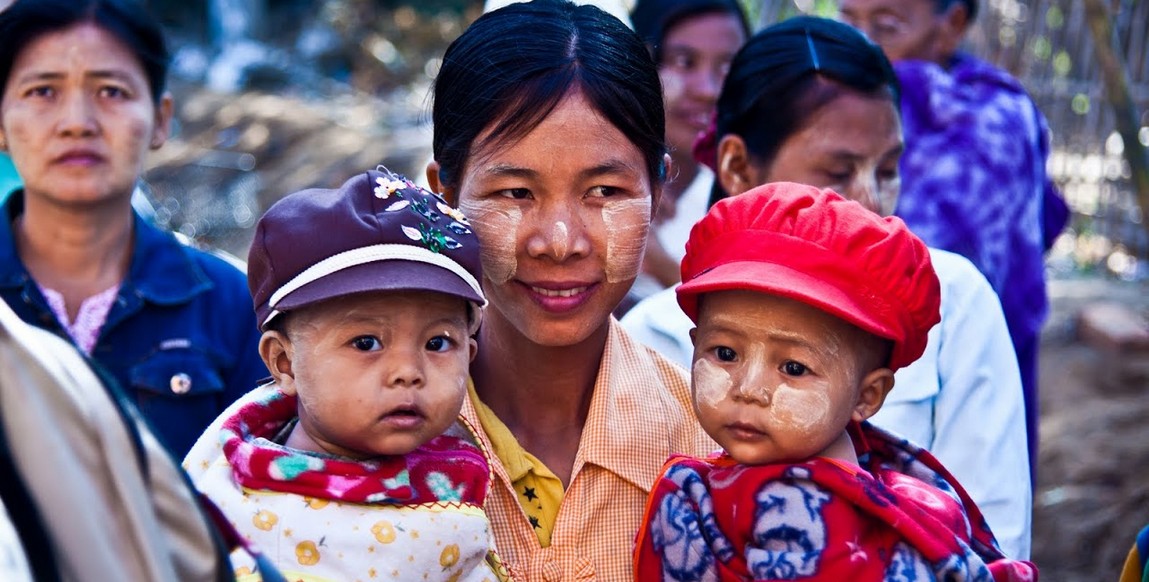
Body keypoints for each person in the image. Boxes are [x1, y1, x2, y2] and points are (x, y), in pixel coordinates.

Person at [621, 15, 1032, 558]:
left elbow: (993, 539)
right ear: (738, 165)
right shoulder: (650, 340)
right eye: (838, 173)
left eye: (886, 170)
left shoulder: (953, 300)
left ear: (872, 393)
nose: (870, 201)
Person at [424, 1, 715, 578]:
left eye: (604, 191)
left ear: (657, 192)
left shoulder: (711, 452)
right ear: (444, 195)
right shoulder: (344, 435)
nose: (560, 242)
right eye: (515, 193)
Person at [633, 182, 1038, 580]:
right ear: (694, 345)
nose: (749, 388)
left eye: (793, 368)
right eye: (725, 353)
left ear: (868, 395)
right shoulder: (753, 483)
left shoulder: (811, 526)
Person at [184, 167, 510, 581]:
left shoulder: (461, 468)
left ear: (470, 353)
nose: (408, 372)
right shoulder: (244, 512)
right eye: (366, 343)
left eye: (437, 343)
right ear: (285, 364)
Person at [0, 0, 265, 458]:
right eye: (43, 91)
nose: (77, 123)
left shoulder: (234, 307)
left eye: (111, 91)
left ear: (161, 119)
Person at [838, 0, 1071, 480]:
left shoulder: (991, 122)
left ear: (952, 25)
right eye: (848, 20)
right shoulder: (836, 101)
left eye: (885, 25)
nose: (862, 43)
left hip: (960, 361)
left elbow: (932, 272)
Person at [623, 0, 749, 307]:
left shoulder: (744, 209)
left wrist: (661, 263)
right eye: (684, 62)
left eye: (727, 68)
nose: (707, 90)